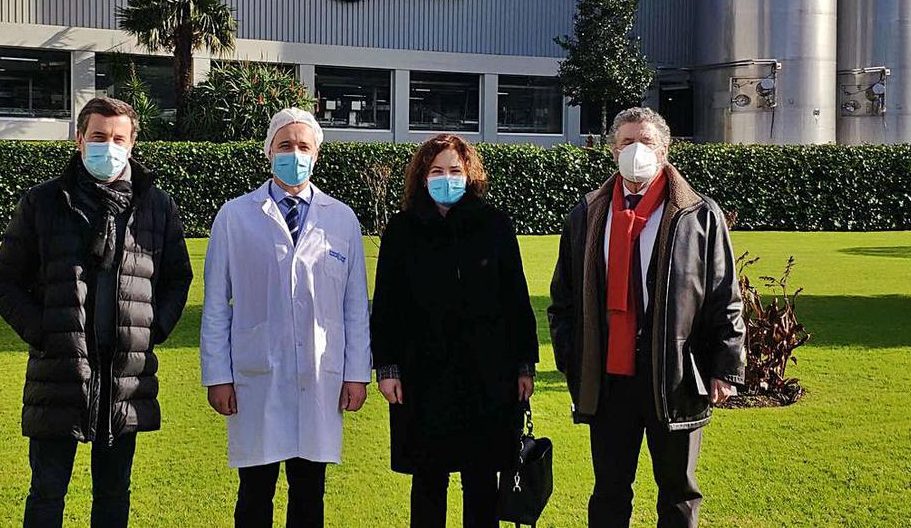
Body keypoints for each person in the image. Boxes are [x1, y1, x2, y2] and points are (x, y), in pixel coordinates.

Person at [0, 96, 194, 527]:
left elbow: (178, 278)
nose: (109, 145)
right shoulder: (43, 202)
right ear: (80, 139)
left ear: (133, 143)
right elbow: (4, 281)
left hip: (125, 376)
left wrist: (152, 329)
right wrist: (43, 330)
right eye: (99, 136)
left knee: (114, 494)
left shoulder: (156, 206)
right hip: (59, 374)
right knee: (46, 493)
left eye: (119, 137)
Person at [547, 107, 746, 528]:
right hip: (609, 378)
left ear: (666, 150)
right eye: (626, 142)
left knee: (677, 492)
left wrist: (724, 368)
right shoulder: (587, 214)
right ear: (612, 150)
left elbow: (724, 297)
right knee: (609, 492)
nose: (636, 151)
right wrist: (572, 357)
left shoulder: (699, 215)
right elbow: (562, 299)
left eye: (647, 142)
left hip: (673, 376)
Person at [200, 107, 372, 528]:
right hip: (256, 374)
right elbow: (217, 304)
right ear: (269, 151)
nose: (294, 154)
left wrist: (356, 374)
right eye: (285, 146)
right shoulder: (235, 216)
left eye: (303, 147)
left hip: (319, 375)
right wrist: (218, 376)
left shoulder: (341, 219)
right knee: (255, 491)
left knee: (310, 491)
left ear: (316, 155)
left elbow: (355, 306)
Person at [370, 134, 539, 528]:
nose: (446, 178)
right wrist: (388, 368)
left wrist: (524, 364)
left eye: (454, 170)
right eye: (437, 171)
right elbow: (387, 304)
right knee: (428, 481)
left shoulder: (494, 224)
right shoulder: (402, 229)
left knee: (482, 480)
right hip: (423, 375)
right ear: (422, 177)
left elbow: (515, 296)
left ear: (469, 174)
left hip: (486, 375)